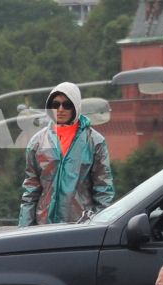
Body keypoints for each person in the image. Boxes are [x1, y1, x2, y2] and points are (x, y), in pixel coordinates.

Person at [18, 81, 114, 226]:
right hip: (43, 229)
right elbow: (31, 192)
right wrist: (23, 231)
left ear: (76, 106)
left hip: (80, 229)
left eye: (67, 104)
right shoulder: (37, 143)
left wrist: (101, 227)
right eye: (55, 104)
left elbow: (103, 190)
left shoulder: (95, 142)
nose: (60, 109)